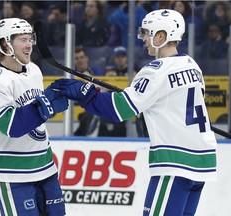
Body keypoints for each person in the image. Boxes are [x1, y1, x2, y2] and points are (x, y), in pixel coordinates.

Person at [50, 9, 217, 215]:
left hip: (175, 162)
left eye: (147, 33)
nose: (144, 38)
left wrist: (84, 93)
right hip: (203, 161)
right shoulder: (192, 65)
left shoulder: (155, 71)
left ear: (161, 36)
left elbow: (119, 110)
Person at [0, 18, 67, 216]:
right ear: (5, 44)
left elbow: (36, 117)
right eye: (23, 40)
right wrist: (46, 104)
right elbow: (11, 126)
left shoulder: (34, 70)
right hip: (11, 171)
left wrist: (53, 99)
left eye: (30, 39)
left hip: (44, 165)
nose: (29, 45)